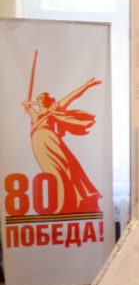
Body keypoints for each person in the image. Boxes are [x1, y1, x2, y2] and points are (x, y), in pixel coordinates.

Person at [22, 77, 104, 214]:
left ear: (49, 100)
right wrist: (26, 105)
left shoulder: (54, 108)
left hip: (50, 139)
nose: (42, 99)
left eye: (45, 97)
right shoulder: (35, 115)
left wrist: (87, 85)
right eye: (40, 97)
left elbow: (72, 96)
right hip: (38, 142)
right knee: (50, 170)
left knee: (62, 168)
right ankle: (60, 203)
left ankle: (68, 203)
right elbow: (27, 108)